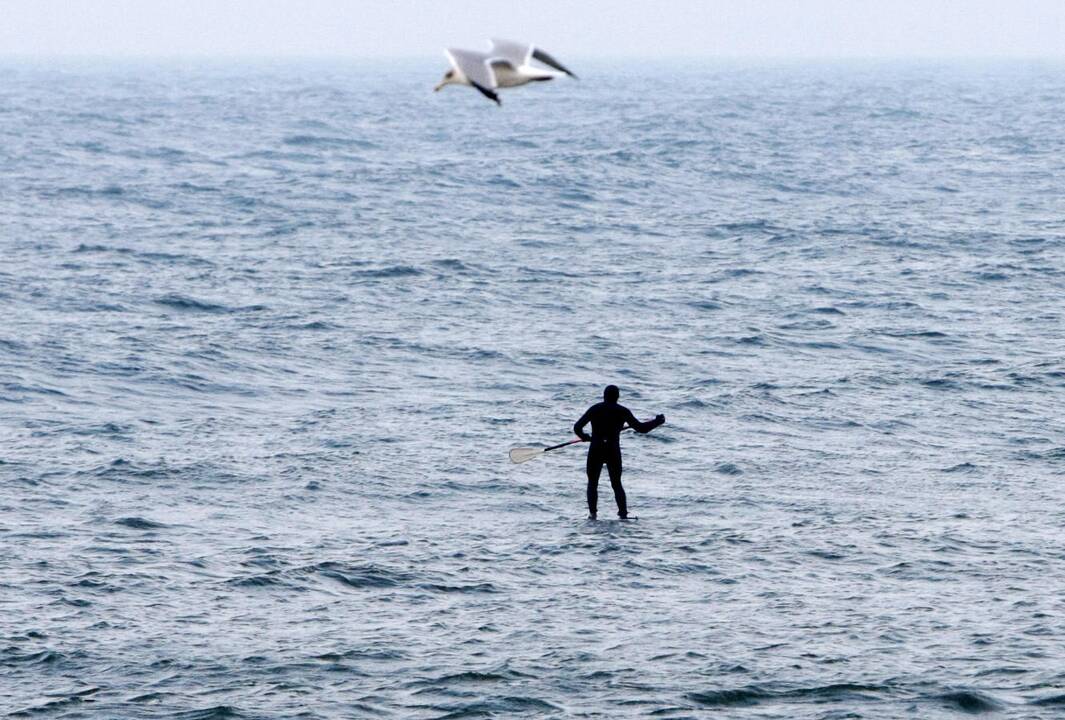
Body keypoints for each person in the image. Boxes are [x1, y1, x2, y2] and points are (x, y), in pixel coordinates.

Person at [573, 385, 665, 519]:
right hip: (612, 450)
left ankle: (592, 514)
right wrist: (657, 422)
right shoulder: (622, 411)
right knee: (616, 483)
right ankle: (623, 514)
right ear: (617, 397)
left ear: (604, 396)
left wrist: (585, 437)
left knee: (592, 483)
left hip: (596, 448)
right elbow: (641, 428)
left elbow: (577, 427)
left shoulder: (595, 409)